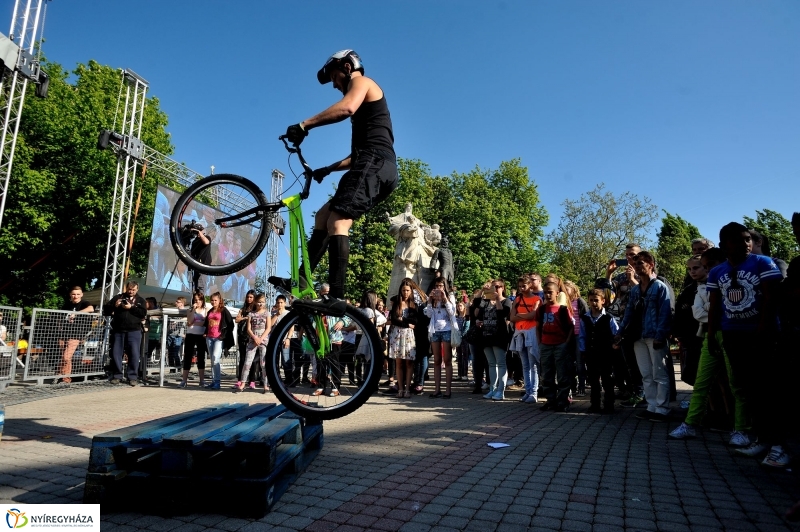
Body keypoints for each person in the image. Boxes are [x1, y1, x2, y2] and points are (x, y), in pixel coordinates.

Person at [277, 50, 398, 302]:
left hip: (374, 163)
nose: (334, 85)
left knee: (339, 222)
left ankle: (337, 298)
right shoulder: (367, 117)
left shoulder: (362, 82)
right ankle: (300, 278)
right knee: (323, 216)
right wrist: (328, 169)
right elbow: (357, 156)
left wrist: (304, 125)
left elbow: (346, 108)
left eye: (334, 77)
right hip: (371, 163)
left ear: (346, 66)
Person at [708, 223, 785, 467]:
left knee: (769, 390)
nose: (746, 244)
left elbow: (771, 299)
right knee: (748, 390)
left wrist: (763, 331)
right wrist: (712, 335)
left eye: (747, 239)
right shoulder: (717, 272)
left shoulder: (763, 263)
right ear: (723, 246)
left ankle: (779, 446)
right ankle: (762, 439)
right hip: (732, 335)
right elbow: (715, 305)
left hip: (761, 335)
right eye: (738, 240)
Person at [617, 251, 673, 422]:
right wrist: (620, 332)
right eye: (636, 263)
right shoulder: (634, 290)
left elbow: (666, 313)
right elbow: (628, 313)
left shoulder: (660, 287)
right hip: (637, 336)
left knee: (659, 373)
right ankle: (651, 406)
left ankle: (662, 408)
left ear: (651, 265)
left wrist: (660, 335)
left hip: (654, 335)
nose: (637, 266)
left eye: (641, 263)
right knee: (646, 373)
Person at [605, 243, 645, 406]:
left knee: (640, 363)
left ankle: (642, 394)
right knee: (627, 362)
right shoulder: (620, 277)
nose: (629, 258)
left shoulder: (645, 273)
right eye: (627, 255)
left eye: (633, 255)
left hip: (641, 323)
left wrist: (633, 279)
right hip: (624, 324)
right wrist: (608, 274)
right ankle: (632, 391)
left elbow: (646, 293)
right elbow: (607, 296)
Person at [579, 289, 619, 414]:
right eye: (591, 300)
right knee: (593, 380)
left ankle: (609, 404)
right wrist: (583, 351)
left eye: (596, 300)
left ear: (603, 301)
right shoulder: (584, 318)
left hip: (606, 354)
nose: (594, 303)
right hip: (591, 354)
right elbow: (582, 335)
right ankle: (594, 404)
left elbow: (616, 333)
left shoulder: (608, 318)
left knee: (607, 379)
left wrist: (615, 344)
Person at [537, 281, 575, 412]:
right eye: (545, 292)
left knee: (562, 374)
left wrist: (566, 343)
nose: (547, 295)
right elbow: (538, 326)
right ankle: (550, 400)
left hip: (560, 345)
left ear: (557, 293)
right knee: (547, 375)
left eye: (550, 292)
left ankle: (563, 401)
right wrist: (540, 342)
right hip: (546, 345)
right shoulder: (541, 309)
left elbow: (571, 327)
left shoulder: (563, 309)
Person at [103, 281, 147, 386]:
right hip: (119, 330)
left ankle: (132, 377)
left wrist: (131, 307)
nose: (131, 291)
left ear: (137, 289)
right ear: (126, 288)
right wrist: (115, 305)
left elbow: (143, 313)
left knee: (134, 354)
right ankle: (117, 375)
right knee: (116, 353)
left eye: (133, 290)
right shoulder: (118, 297)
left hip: (134, 330)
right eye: (129, 289)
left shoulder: (141, 300)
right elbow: (106, 310)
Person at [477, 279, 513, 401]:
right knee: (491, 364)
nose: (496, 288)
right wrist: (483, 290)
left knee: (501, 363)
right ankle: (492, 389)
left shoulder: (506, 301)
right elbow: (477, 308)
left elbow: (503, 315)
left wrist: (497, 299)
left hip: (499, 336)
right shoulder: (486, 301)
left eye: (498, 286)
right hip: (486, 335)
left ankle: (500, 391)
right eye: (493, 286)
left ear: (503, 288)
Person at [510, 275, 541, 404]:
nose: (522, 288)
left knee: (533, 364)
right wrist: (525, 317)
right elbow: (512, 317)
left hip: (531, 332)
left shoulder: (537, 298)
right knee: (525, 364)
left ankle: (534, 393)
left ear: (530, 285)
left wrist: (519, 316)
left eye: (524, 286)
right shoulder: (518, 299)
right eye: (520, 286)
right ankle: (527, 391)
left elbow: (534, 315)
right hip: (519, 332)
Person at [424, 278, 455, 399]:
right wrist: (430, 301)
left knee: (447, 360)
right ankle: (437, 389)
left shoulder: (449, 297)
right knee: (437, 360)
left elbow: (452, 312)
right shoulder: (432, 298)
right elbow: (429, 314)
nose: (438, 288)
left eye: (441, 285)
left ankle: (448, 389)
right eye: (437, 285)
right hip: (435, 330)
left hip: (446, 329)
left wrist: (445, 299)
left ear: (444, 286)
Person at [234, 294, 271, 394]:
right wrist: (254, 337)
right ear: (255, 302)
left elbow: (268, 328)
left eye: (262, 302)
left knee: (263, 364)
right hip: (252, 340)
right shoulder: (251, 314)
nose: (260, 304)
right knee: (247, 362)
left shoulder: (267, 313)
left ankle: (266, 385)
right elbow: (248, 328)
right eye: (258, 302)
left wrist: (261, 338)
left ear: (265, 303)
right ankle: (242, 384)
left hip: (263, 341)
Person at [57, 286, 94, 384]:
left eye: (78, 294)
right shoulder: (66, 305)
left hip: (75, 334)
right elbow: (60, 317)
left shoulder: (84, 303)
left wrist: (76, 313)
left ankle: (65, 378)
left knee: (66, 356)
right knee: (63, 357)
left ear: (81, 295)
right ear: (70, 295)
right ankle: (61, 376)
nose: (75, 296)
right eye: (73, 294)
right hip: (63, 334)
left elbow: (91, 308)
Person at [388, 279, 418, 398]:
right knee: (399, 362)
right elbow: (394, 319)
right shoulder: (396, 303)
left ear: (411, 291)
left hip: (408, 335)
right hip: (397, 334)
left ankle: (407, 389)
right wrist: (406, 323)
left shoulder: (413, 305)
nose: (405, 293)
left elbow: (415, 321)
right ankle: (400, 388)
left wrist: (403, 321)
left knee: (409, 362)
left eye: (407, 290)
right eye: (403, 290)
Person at [203, 292, 234, 390]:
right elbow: (206, 323)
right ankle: (213, 380)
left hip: (218, 338)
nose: (213, 302)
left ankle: (217, 382)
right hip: (209, 337)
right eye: (212, 300)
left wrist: (223, 335)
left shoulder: (224, 310)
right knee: (212, 359)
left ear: (220, 300)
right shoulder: (210, 311)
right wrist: (205, 332)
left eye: (215, 300)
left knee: (216, 358)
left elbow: (230, 324)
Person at [179, 292, 209, 388]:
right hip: (191, 334)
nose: (198, 302)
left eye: (199, 300)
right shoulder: (190, 309)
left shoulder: (206, 310)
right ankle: (184, 380)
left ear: (203, 300)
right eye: (196, 300)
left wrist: (197, 323)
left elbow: (205, 323)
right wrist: (193, 310)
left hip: (201, 335)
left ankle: (202, 380)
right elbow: (189, 322)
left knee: (201, 357)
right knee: (188, 356)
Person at [235, 290, 257, 390]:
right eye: (248, 297)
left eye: (251, 297)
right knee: (242, 358)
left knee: (251, 359)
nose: (249, 299)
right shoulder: (243, 309)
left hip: (251, 335)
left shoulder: (255, 309)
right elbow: (237, 320)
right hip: (242, 335)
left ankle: (252, 380)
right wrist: (245, 318)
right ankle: (240, 379)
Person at [166, 297, 187, 370]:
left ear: (182, 303)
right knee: (170, 353)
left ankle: (178, 367)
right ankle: (171, 369)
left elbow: (187, 318)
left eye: (177, 302)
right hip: (170, 334)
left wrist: (177, 321)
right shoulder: (174, 311)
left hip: (178, 335)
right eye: (176, 301)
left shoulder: (185, 311)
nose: (176, 303)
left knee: (175, 352)